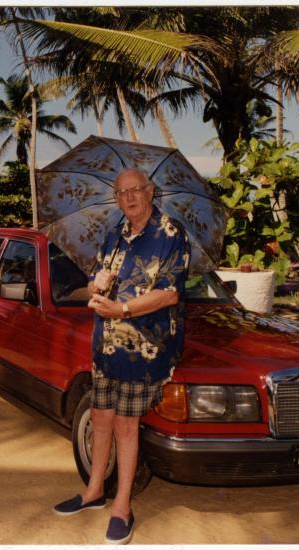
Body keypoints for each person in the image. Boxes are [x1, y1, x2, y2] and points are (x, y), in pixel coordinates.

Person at [52, 168, 190, 544]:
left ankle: (122, 508)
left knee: (126, 425)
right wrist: (96, 284)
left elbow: (170, 294)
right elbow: (97, 279)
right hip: (106, 344)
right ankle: (94, 492)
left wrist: (123, 311)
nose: (128, 198)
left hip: (142, 347)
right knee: (100, 416)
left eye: (135, 190)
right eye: (121, 192)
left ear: (150, 191)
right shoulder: (115, 234)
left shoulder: (170, 234)